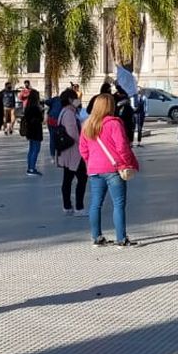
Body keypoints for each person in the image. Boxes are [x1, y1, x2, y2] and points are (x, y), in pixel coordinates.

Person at [80, 93, 140, 247]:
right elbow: (122, 147)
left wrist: (90, 162)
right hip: (113, 168)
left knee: (95, 204)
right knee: (118, 204)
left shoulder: (87, 124)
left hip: (94, 169)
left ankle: (97, 237)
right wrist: (127, 163)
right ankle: (121, 239)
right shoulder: (114, 123)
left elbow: (83, 149)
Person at [57, 88, 87, 216]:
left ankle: (67, 206)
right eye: (75, 98)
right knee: (82, 178)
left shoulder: (65, 112)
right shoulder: (69, 114)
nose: (77, 100)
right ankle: (79, 207)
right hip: (74, 152)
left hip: (67, 152)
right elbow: (73, 134)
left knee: (68, 178)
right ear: (70, 99)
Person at [22, 89, 44, 176]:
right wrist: (41, 111)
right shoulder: (35, 108)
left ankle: (30, 167)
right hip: (36, 130)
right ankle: (32, 168)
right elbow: (40, 119)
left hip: (30, 130)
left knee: (31, 149)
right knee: (36, 149)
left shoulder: (27, 107)